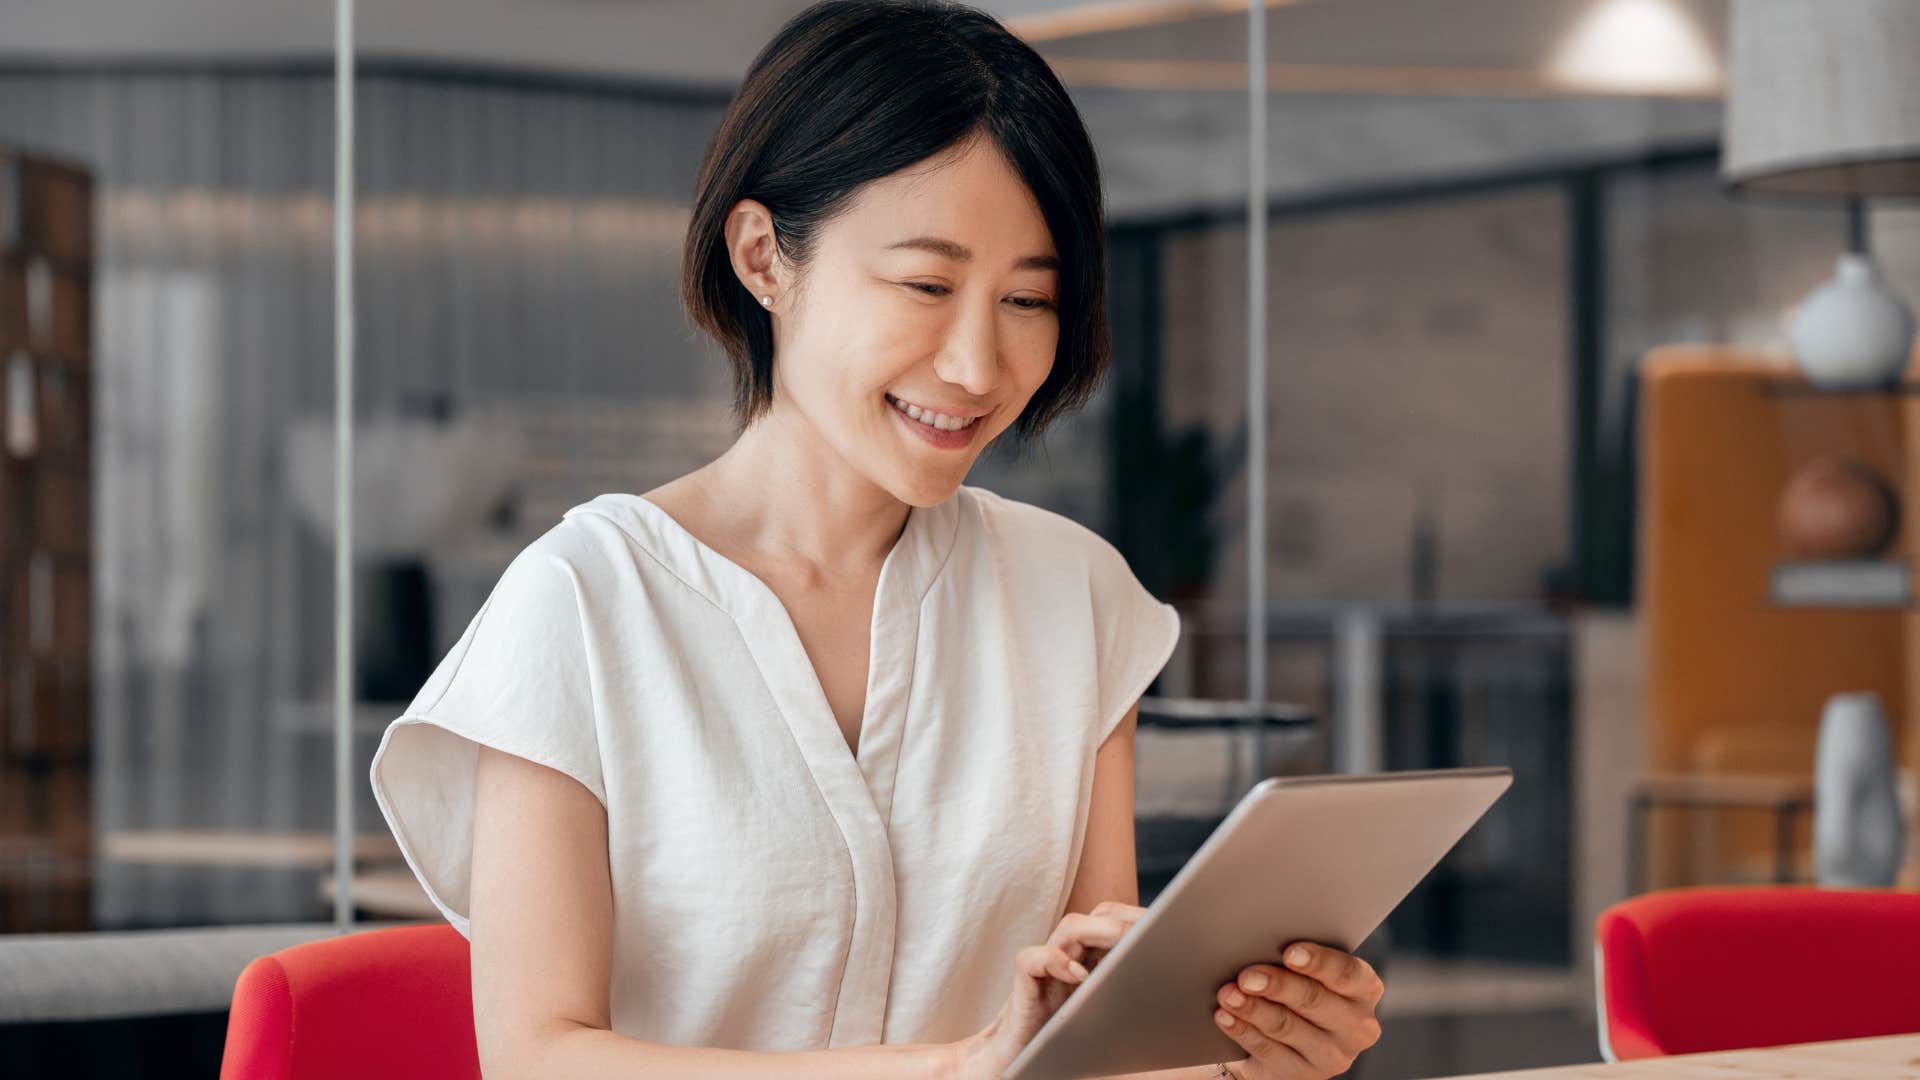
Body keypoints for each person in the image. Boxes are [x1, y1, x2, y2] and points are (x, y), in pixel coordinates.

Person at [368, 2, 1385, 1077]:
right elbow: (538, 1059)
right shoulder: (583, 602)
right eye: (927, 285)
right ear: (764, 256)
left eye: (1029, 298)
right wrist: (961, 1065)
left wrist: (1251, 1053)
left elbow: (1098, 1039)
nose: (977, 366)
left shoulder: (1073, 594)